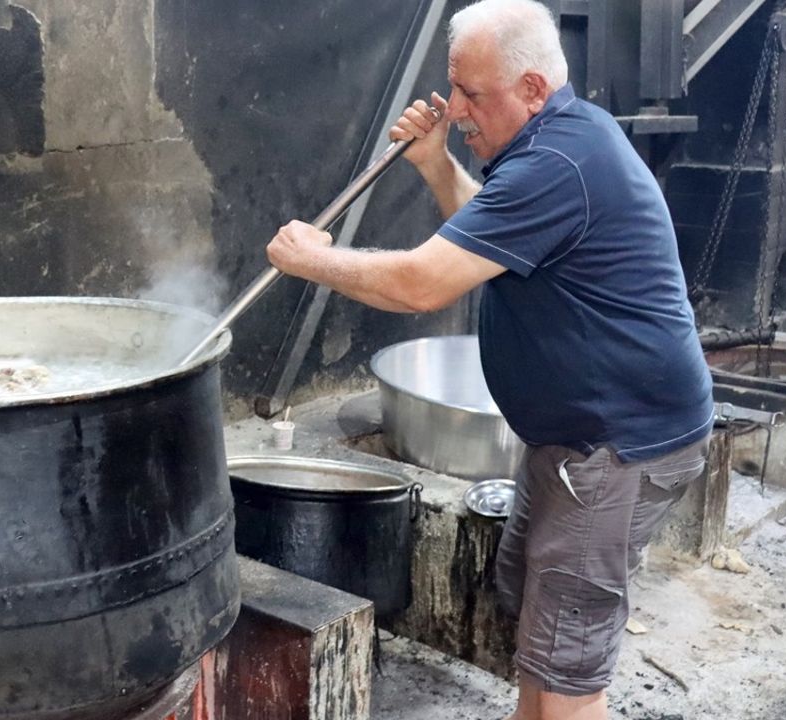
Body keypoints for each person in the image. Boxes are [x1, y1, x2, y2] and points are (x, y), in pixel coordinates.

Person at [265, 1, 714, 718]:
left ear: (533, 89)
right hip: (573, 441)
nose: (459, 110)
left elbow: (420, 283)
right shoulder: (564, 139)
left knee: (568, 664)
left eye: (474, 94)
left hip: (615, 451)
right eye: (456, 87)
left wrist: (315, 260)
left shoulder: (558, 163)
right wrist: (434, 161)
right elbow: (493, 244)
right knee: (541, 630)